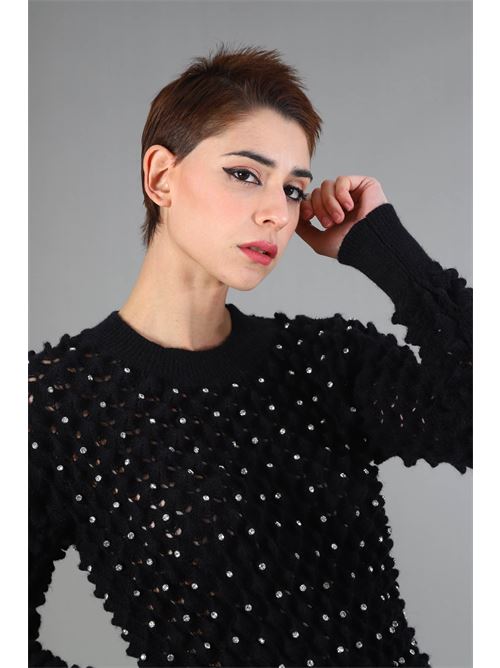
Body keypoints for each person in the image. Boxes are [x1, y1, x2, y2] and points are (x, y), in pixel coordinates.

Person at [29, 43, 472, 668]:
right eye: (245, 174)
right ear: (161, 177)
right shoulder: (57, 404)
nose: (276, 214)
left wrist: (385, 249)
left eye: (293, 190)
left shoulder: (325, 363)